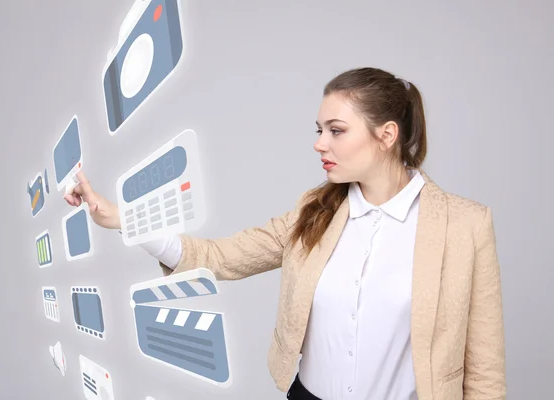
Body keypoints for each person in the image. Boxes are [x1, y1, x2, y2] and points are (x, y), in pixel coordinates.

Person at [64, 67, 506, 400]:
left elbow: (484, 368)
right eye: (320, 130)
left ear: (386, 135)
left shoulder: (465, 225)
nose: (319, 143)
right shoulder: (311, 212)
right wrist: (126, 219)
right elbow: (218, 257)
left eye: (336, 131)